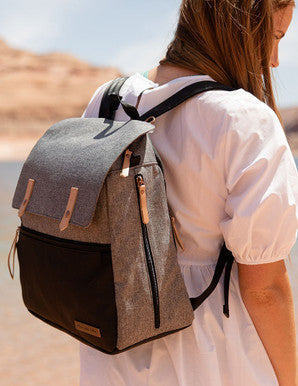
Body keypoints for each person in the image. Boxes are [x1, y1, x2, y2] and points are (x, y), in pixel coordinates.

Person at [79, 0, 298, 385]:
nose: (276, 59)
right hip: (213, 354)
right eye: (275, 37)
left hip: (113, 350)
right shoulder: (244, 119)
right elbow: (264, 288)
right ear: (242, 24)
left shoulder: (108, 99)